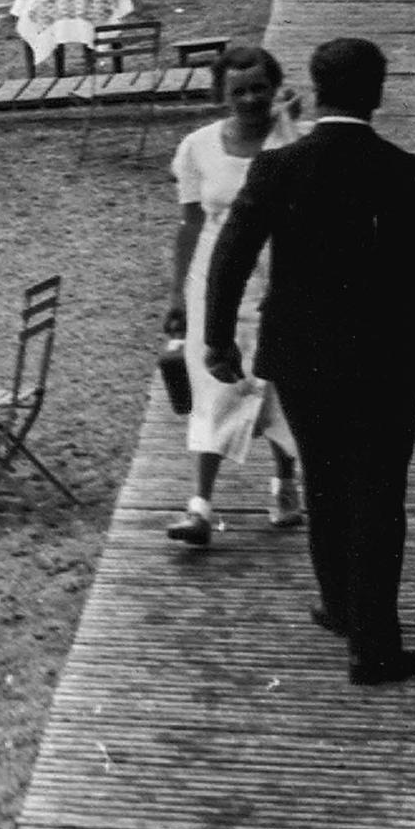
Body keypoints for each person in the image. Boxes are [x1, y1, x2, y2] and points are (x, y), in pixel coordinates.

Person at [205, 37, 415, 686]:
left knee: (325, 480)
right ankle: (376, 646)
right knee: (378, 495)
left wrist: (219, 338)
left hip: (303, 359)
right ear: (378, 93)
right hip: (387, 362)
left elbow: (230, 255)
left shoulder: (277, 168)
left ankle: (341, 605)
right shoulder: (410, 172)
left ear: (316, 89)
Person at [160, 45, 305, 548]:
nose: (249, 99)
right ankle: (199, 507)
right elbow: (190, 224)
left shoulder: (293, 143)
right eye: (237, 91)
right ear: (220, 95)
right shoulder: (197, 147)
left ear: (276, 87)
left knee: (279, 384)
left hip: (279, 276)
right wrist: (178, 295)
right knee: (214, 388)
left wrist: (287, 123)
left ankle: (285, 485)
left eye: (259, 88)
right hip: (215, 282)